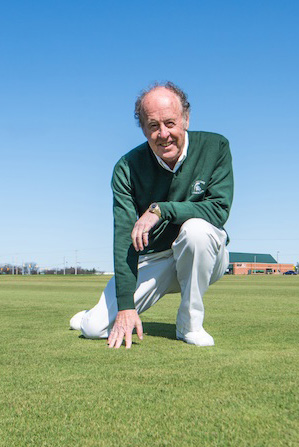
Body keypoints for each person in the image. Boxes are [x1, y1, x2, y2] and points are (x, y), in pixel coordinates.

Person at [70, 82, 233, 348]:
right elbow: (124, 237)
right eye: (153, 126)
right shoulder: (127, 167)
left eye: (170, 123)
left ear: (186, 119)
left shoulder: (216, 147)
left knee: (196, 231)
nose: (163, 134)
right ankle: (92, 315)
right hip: (155, 257)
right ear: (143, 129)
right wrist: (125, 306)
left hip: (206, 254)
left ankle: (190, 324)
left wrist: (160, 209)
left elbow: (218, 209)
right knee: (93, 329)